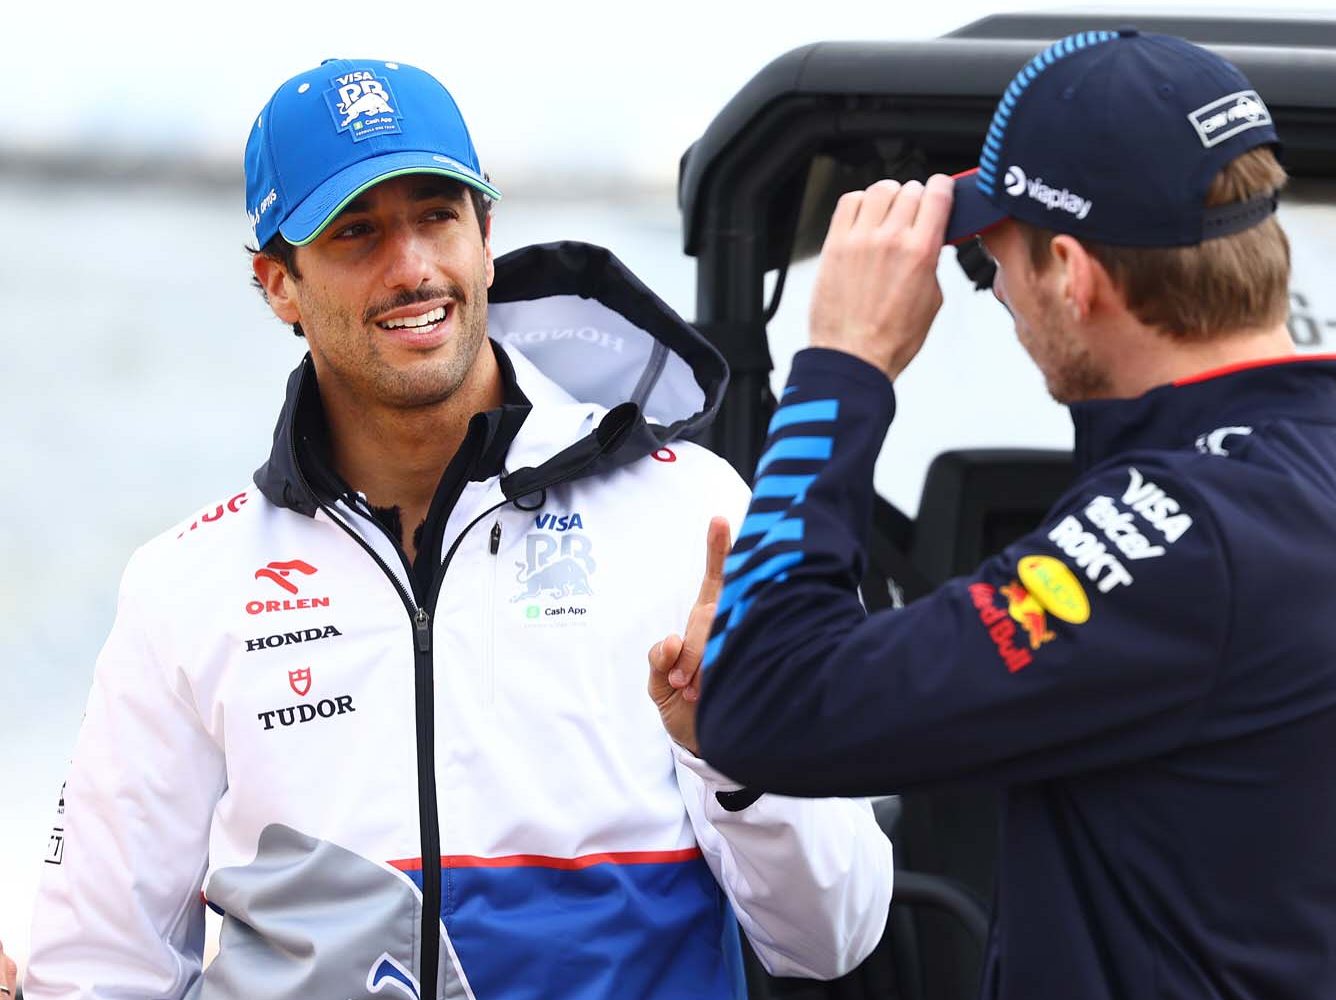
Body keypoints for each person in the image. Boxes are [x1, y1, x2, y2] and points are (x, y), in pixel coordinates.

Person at [24, 59, 892, 998]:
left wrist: (732, 747)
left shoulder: (695, 516)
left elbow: (833, 934)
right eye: (356, 232)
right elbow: (97, 970)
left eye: (437, 214)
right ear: (279, 281)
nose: (412, 268)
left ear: (486, 235)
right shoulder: (187, 586)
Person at [686, 29, 1336, 1000]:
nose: (1006, 306)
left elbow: (766, 703)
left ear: (1072, 272)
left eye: (992, 272)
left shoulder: (1184, 534)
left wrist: (844, 361)